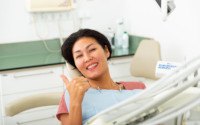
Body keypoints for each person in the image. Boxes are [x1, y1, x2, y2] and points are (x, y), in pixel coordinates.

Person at [56, 28, 146, 125]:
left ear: (106, 51)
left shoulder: (138, 87)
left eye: (92, 49)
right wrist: (75, 103)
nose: (87, 58)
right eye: (79, 56)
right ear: (75, 66)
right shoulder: (72, 94)